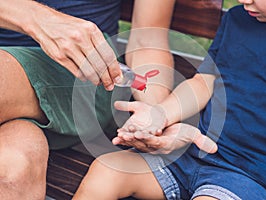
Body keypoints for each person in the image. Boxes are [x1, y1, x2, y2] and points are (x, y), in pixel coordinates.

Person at [73, 0, 266, 199]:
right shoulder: (237, 19)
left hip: (251, 176)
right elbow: (203, 82)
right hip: (189, 152)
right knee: (107, 170)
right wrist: (160, 114)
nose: (243, 0)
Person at [0, 0, 175, 199]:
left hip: (84, 71)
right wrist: (37, 18)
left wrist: (159, 113)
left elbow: (148, 40)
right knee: (13, 172)